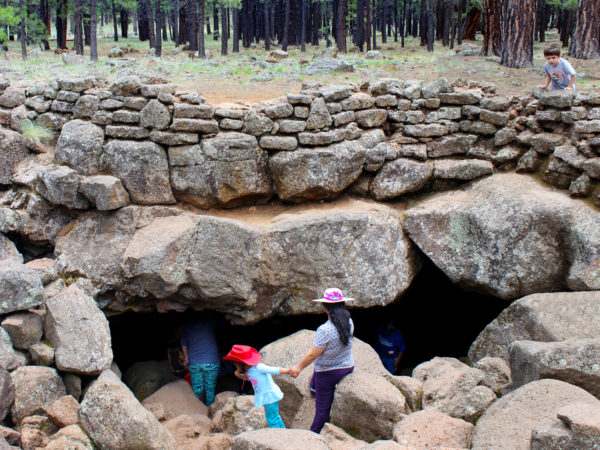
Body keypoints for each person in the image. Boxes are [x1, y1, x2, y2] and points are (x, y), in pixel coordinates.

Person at [289, 288, 355, 434]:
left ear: (325, 308)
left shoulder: (325, 329)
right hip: (347, 366)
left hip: (328, 373)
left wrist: (298, 368)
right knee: (316, 376)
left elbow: (312, 355)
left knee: (322, 409)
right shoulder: (349, 321)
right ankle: (314, 388)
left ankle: (314, 433)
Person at [223, 344, 290, 428]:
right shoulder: (249, 370)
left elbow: (274, 370)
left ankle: (276, 436)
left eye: (236, 365)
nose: (236, 367)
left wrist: (289, 371)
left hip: (270, 396)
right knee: (275, 416)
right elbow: (250, 379)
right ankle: (284, 432)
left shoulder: (259, 367)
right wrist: (238, 374)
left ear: (242, 364)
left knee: (271, 419)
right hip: (266, 397)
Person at [180, 313, 220, 406]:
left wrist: (186, 358)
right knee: (210, 389)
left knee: (197, 390)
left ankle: (197, 410)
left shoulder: (187, 326)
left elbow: (183, 344)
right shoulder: (209, 322)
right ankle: (210, 411)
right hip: (211, 362)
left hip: (195, 363)